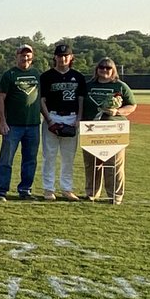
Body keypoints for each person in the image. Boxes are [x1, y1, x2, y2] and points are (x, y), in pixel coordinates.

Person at [82, 58, 138, 204]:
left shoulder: (120, 86)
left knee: (114, 164)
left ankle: (115, 196)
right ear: (97, 69)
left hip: (114, 129)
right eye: (101, 67)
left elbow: (131, 105)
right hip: (91, 128)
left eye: (108, 68)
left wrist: (117, 111)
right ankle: (91, 193)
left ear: (113, 70)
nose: (104, 70)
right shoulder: (88, 86)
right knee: (92, 163)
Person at [0, 44, 42, 201]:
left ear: (32, 57)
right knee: (6, 160)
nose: (25, 58)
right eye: (22, 55)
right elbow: (0, 98)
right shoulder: (9, 74)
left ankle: (25, 190)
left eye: (28, 55)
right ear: (17, 56)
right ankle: (1, 191)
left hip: (33, 125)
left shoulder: (36, 74)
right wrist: (2, 121)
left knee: (30, 160)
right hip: (13, 125)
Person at [39, 43, 87, 201]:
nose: (62, 58)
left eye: (66, 55)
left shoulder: (78, 77)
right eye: (59, 56)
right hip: (52, 116)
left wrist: (78, 119)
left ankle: (67, 189)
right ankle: (48, 189)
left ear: (71, 57)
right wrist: (49, 120)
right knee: (49, 155)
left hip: (71, 118)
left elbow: (81, 100)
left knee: (68, 157)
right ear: (55, 57)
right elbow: (42, 101)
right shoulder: (46, 76)